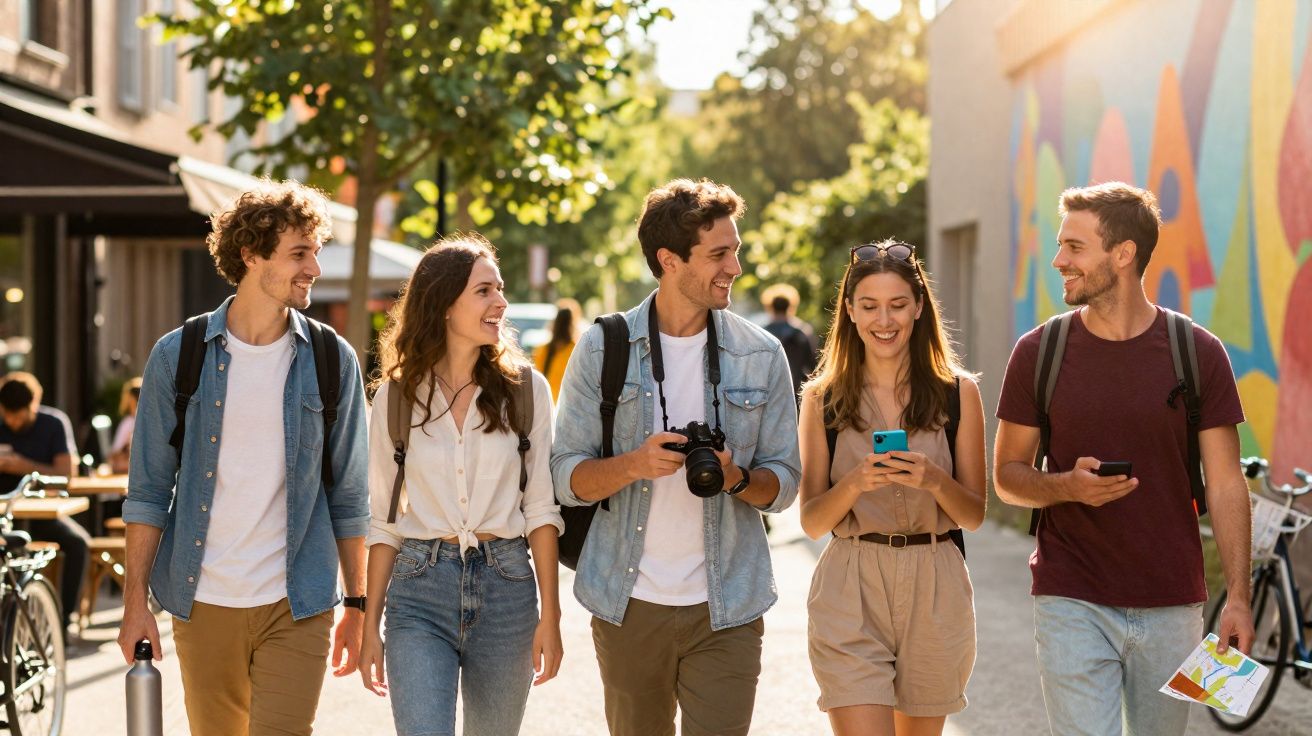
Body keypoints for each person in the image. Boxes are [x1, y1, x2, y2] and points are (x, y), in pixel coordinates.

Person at [993, 182, 1254, 736]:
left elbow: (1227, 483)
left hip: (1171, 604)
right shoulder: (1039, 353)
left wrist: (1239, 598)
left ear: (1124, 253)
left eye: (1075, 247)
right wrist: (1065, 486)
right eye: (1060, 245)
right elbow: (1008, 477)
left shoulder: (1197, 352)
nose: (1059, 260)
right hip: (1071, 598)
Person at [117, 180, 370, 736]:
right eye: (300, 253)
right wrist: (134, 604)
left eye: (316, 252)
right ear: (251, 254)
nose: (315, 269)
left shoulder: (332, 360)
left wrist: (357, 601)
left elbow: (350, 494)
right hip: (202, 599)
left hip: (296, 600)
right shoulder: (178, 356)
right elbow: (148, 493)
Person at [551, 178, 801, 736]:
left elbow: (784, 484)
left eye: (735, 250)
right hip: (628, 603)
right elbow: (565, 478)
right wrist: (633, 464)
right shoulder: (602, 347)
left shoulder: (762, 355)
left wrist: (736, 477)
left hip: (729, 606)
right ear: (668, 260)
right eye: (719, 254)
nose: (734, 267)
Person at [357, 235, 564, 735]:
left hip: (507, 590)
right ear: (445, 304)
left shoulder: (526, 392)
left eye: (500, 290)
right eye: (484, 291)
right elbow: (383, 520)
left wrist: (551, 618)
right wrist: (369, 628)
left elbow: (541, 508)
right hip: (419, 589)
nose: (501, 303)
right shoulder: (397, 398)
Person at [798, 240, 985, 735]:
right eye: (870, 306)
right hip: (851, 583)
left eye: (899, 305)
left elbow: (973, 515)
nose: (885, 320)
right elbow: (813, 522)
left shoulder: (959, 392)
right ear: (850, 312)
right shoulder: (821, 398)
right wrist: (856, 483)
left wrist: (934, 481)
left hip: (936, 581)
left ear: (920, 308)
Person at [0, 371, 87, 635]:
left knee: (79, 544)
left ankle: (64, 621)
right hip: (6, 514)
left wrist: (19, 465)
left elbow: (66, 476)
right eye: (7, 415)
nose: (12, 421)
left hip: (43, 514)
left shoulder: (53, 424)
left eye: (18, 415)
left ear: (34, 405)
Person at [761, 283, 818, 405]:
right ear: (791, 306)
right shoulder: (802, 332)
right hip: (797, 393)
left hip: (768, 394)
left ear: (770, 306)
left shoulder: (762, 333)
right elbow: (813, 366)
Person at [533, 297, 582, 399]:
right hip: (567, 408)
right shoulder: (577, 351)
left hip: (547, 405)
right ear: (572, 325)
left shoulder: (542, 350)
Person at [109, 376, 142, 474]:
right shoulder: (154, 420)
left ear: (131, 398)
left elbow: (115, 452)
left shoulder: (128, 423)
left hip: (128, 472)